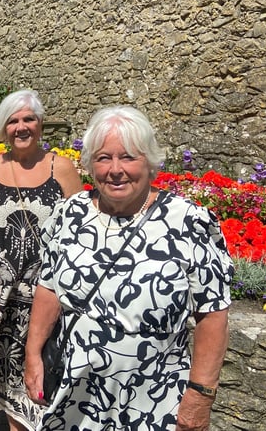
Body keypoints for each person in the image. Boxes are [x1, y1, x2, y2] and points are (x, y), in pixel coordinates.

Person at [24, 106, 233, 430]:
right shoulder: (69, 214)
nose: (115, 169)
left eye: (129, 157)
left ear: (149, 163)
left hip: (155, 399)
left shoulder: (189, 222)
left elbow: (213, 313)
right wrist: (33, 354)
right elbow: (49, 287)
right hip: (76, 395)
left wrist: (200, 396)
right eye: (104, 157)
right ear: (90, 164)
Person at [0, 89, 83, 431]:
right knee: (12, 383)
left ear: (41, 124)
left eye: (28, 118)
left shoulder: (62, 169)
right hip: (3, 303)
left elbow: (81, 234)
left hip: (51, 299)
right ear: (3, 128)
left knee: (49, 377)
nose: (21, 127)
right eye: (13, 121)